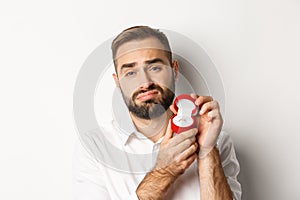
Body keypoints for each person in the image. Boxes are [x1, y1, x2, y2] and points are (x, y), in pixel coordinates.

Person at [73, 26, 242, 199]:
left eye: (154, 68)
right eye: (130, 72)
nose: (145, 82)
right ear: (118, 82)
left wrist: (207, 151)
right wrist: (163, 172)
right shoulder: (96, 147)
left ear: (174, 70)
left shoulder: (217, 141)